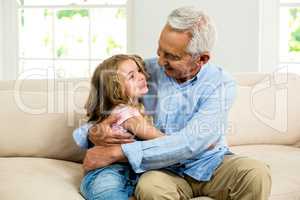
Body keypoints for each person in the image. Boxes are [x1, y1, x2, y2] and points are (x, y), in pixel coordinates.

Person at [76, 6, 272, 200]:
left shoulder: (221, 84)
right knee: (150, 188)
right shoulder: (144, 71)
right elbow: (109, 102)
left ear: (201, 59)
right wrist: (95, 132)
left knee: (255, 173)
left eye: (172, 56)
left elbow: (191, 143)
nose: (160, 61)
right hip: (163, 169)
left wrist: (119, 152)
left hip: (210, 163)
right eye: (160, 51)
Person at [73, 54, 164, 200]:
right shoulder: (126, 113)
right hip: (108, 172)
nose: (141, 76)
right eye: (132, 76)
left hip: (130, 172)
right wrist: (184, 142)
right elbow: (158, 138)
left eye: (139, 71)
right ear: (115, 89)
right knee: (107, 192)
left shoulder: (126, 110)